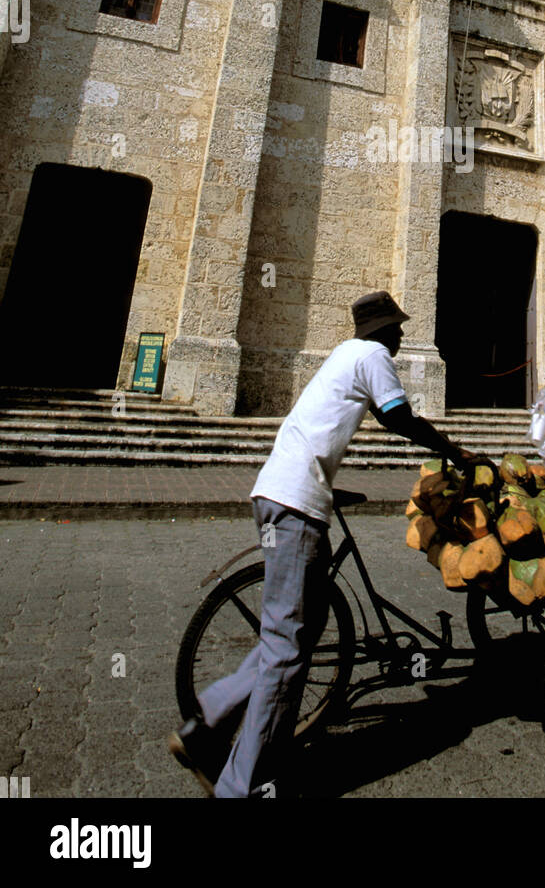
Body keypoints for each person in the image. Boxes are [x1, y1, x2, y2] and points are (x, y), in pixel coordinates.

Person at [168, 290, 472, 798]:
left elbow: (352, 419)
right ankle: (243, 786)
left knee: (294, 633)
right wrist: (453, 449)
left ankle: (204, 729)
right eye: (396, 328)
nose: (401, 336)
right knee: (288, 651)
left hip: (278, 494)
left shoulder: (345, 354)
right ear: (381, 330)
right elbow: (397, 418)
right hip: (295, 505)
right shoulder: (373, 356)